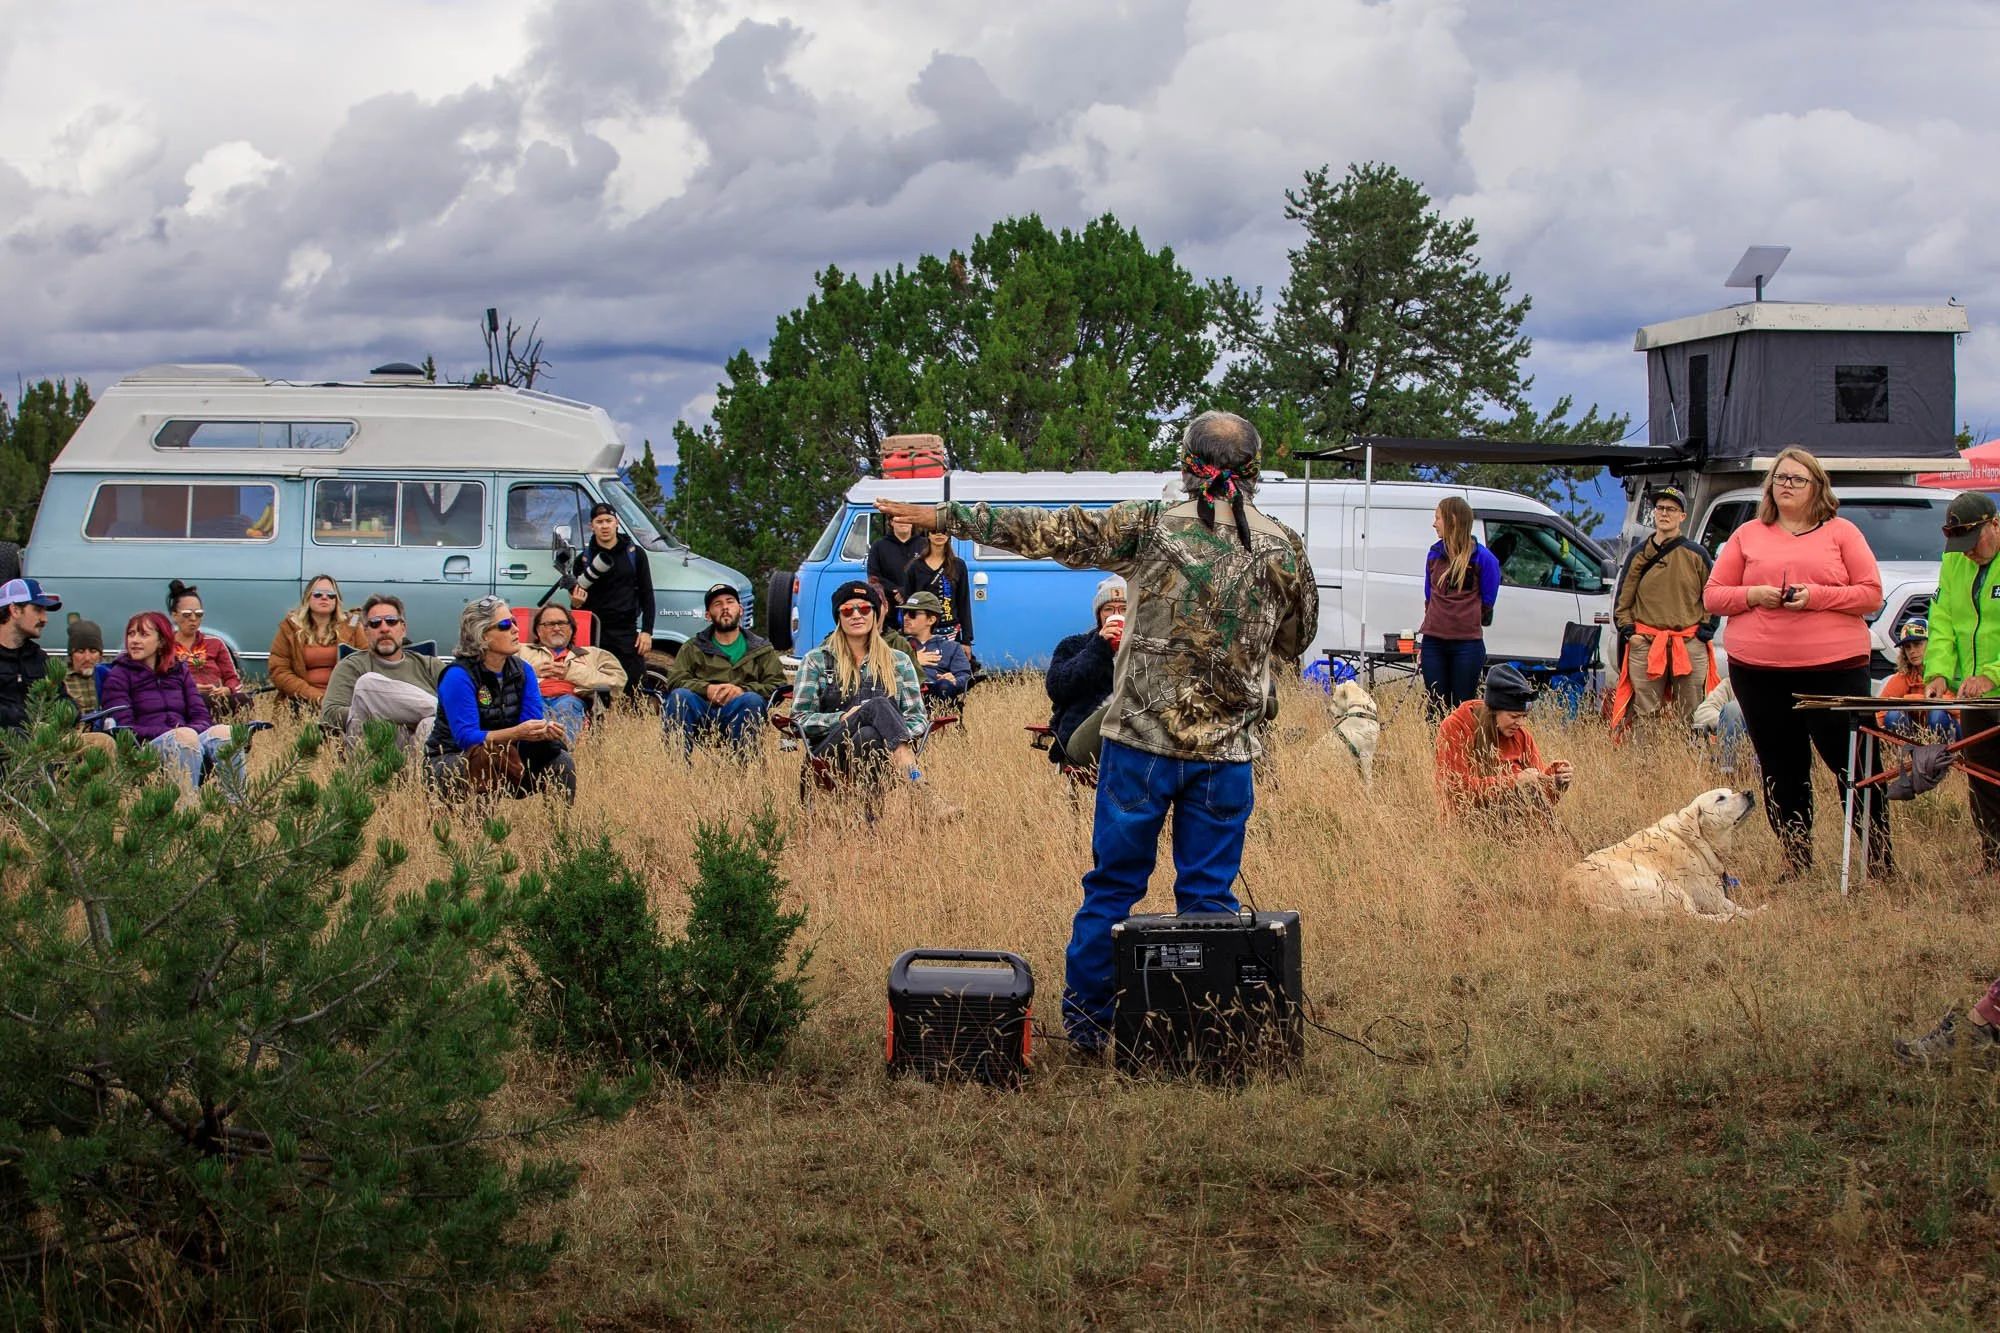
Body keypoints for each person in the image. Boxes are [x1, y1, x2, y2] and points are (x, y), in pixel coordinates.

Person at [876, 410, 1317, 1054]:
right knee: (1209, 896)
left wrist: (943, 517)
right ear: (1254, 473)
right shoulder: (1284, 547)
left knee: (1113, 886)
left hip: (1139, 745)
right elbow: (1296, 638)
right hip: (1226, 754)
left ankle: (1088, 1027)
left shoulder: (1151, 525)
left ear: (1187, 466)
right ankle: (1203, 1028)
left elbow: (1048, 530)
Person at [1703, 445, 1890, 878]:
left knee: (1854, 763)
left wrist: (1815, 596)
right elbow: (1713, 595)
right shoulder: (1748, 534)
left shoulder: (1842, 533)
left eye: (1797, 479)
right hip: (1759, 673)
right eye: (1780, 478)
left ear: (1816, 486)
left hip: (1835, 669)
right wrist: (1753, 594)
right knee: (1781, 767)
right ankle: (1796, 860)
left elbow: (1870, 594)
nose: (1786, 485)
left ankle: (1878, 859)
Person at [423, 597, 575, 801]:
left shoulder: (524, 670)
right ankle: (479, 822)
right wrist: (517, 732)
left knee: (560, 759)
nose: (515, 629)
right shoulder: (458, 676)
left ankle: (560, 820)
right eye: (505, 625)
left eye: (514, 622)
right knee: (486, 759)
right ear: (482, 635)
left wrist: (542, 731)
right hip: (452, 760)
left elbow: (530, 723)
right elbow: (466, 738)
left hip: (508, 754)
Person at [1920, 491, 2000, 871]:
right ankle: (1993, 858)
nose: (1967, 552)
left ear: (1995, 524)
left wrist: (1990, 675)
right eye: (1960, 544)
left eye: (1972, 541)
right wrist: (1937, 672)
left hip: (1989, 683)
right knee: (1982, 777)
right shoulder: (1954, 559)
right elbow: (1942, 622)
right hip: (1976, 697)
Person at [789, 580, 931, 791]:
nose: (856, 615)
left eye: (864, 609)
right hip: (829, 755)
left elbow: (918, 718)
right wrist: (841, 719)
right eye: (847, 611)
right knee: (878, 705)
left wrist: (886, 729)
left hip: (882, 751)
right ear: (839, 617)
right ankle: (917, 783)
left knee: (869, 734)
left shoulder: (899, 661)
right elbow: (798, 720)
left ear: (875, 614)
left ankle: (869, 811)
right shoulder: (816, 660)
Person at [1609, 486, 1719, 732]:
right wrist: (1631, 634)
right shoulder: (1638, 555)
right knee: (1645, 713)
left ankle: (1688, 756)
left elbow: (1713, 596)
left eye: (1671, 509)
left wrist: (1704, 633)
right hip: (1647, 643)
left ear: (1682, 516)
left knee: (1692, 712)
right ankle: (1646, 757)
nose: (1664, 513)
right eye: (1660, 508)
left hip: (1688, 643)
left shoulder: (1696, 554)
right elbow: (1622, 602)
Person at [100, 611, 245, 795]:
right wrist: (173, 733)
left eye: (143, 635)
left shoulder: (179, 671)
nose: (134, 641)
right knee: (184, 737)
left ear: (161, 641)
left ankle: (236, 805)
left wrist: (189, 731)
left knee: (225, 733)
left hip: (187, 738)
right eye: (131, 634)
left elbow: (201, 716)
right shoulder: (119, 675)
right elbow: (124, 729)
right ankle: (185, 807)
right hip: (145, 748)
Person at [1434, 664, 1573, 827]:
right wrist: (1514, 781)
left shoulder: (1521, 736)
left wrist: (1556, 783)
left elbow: (1540, 802)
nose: (1520, 723)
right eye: (1514, 716)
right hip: (1467, 824)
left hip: (1517, 826)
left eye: (1524, 716)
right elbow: (1456, 791)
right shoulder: (1456, 728)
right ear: (1494, 710)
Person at [661, 583, 787, 750]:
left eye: (730, 601)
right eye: (717, 604)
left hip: (742, 710)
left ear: (740, 609)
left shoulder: (761, 649)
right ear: (708, 615)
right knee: (679, 697)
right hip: (702, 710)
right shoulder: (692, 647)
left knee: (752, 699)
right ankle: (677, 764)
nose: (725, 607)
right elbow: (675, 680)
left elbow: (778, 686)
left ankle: (745, 765)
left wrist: (742, 690)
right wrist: (707, 689)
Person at [320, 594, 448, 749]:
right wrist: (378, 712)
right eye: (375, 623)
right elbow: (329, 714)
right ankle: (440, 711)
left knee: (429, 722)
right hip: (374, 745)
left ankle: (420, 764)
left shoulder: (429, 665)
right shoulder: (351, 666)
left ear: (403, 629)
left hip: (422, 749)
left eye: (391, 621)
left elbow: (463, 701)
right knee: (367, 683)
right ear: (366, 632)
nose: (384, 628)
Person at [1419, 497, 1501, 717]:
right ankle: (1436, 739)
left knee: (1463, 706)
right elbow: (1429, 595)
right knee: (1436, 704)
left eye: (1438, 518)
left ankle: (1462, 740)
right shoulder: (1434, 554)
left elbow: (1488, 600)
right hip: (1434, 641)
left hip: (1467, 644)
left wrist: (1464, 618)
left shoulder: (1483, 558)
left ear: (1452, 520)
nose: (1434, 524)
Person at [568, 501, 654, 696]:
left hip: (626, 631)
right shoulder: (583, 560)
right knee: (597, 688)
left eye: (608, 520)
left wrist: (647, 631)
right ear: (591, 526)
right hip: (595, 632)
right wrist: (576, 604)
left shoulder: (635, 554)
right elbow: (577, 607)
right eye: (599, 522)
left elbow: (647, 593)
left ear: (616, 523)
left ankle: (636, 715)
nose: (604, 526)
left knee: (636, 687)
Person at [1044, 575, 1126, 768]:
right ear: (1099, 615)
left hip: (1134, 739)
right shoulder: (1074, 646)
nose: (1116, 614)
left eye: (1124, 609)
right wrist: (1099, 648)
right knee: (1120, 708)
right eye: (1108, 609)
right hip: (1081, 735)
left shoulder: (1146, 650)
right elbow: (1057, 689)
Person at [517, 603, 627, 746]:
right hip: (534, 698)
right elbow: (497, 671)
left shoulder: (593, 654)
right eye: (550, 624)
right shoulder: (521, 651)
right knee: (537, 708)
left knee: (566, 706)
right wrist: (530, 671)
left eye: (562, 623)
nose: (557, 628)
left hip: (570, 700)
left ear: (571, 628)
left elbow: (618, 680)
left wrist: (571, 672)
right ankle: (542, 751)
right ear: (538, 630)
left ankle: (560, 751)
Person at [267, 574, 366, 709]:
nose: (324, 597)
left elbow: (366, 665)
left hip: (344, 702)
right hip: (302, 703)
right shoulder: (290, 628)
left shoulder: (352, 627)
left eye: (331, 595)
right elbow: (279, 671)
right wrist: (317, 698)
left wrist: (339, 700)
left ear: (336, 600)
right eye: (318, 594)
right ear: (308, 598)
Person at [1877, 619, 1956, 741]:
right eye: (1907, 647)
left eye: (1917, 644)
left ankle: (1942, 753)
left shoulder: (1948, 672)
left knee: (1937, 715)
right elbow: (1881, 713)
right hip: (1915, 738)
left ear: (1932, 645)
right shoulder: (1903, 676)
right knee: (1893, 716)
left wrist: (1909, 700)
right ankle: (1905, 752)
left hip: (1954, 734)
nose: (1912, 651)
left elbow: (1960, 708)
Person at [900, 529, 973, 647]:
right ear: (928, 534)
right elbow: (908, 603)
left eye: (944, 531)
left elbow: (964, 602)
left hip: (951, 632)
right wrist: (906, 635)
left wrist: (966, 640)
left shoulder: (958, 565)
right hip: (922, 632)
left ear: (949, 535)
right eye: (934, 531)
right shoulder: (915, 566)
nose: (939, 534)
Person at [899, 591, 972, 703]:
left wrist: (954, 680)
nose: (905, 617)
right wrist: (913, 661)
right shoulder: (898, 644)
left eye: (912, 614)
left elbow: (965, 676)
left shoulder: (952, 647)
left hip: (937, 697)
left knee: (944, 686)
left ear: (931, 620)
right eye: (904, 612)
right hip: (905, 698)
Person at [867, 513, 927, 615]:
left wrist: (906, 591)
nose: (903, 522)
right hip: (889, 606)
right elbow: (874, 576)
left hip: (920, 604)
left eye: (907, 519)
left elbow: (929, 573)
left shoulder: (925, 545)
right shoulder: (878, 546)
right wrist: (896, 591)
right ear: (891, 522)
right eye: (899, 519)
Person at [61, 617, 107, 717]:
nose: (87, 658)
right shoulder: (60, 682)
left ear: (100, 654)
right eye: (80, 651)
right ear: (71, 655)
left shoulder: (111, 677)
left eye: (93, 651)